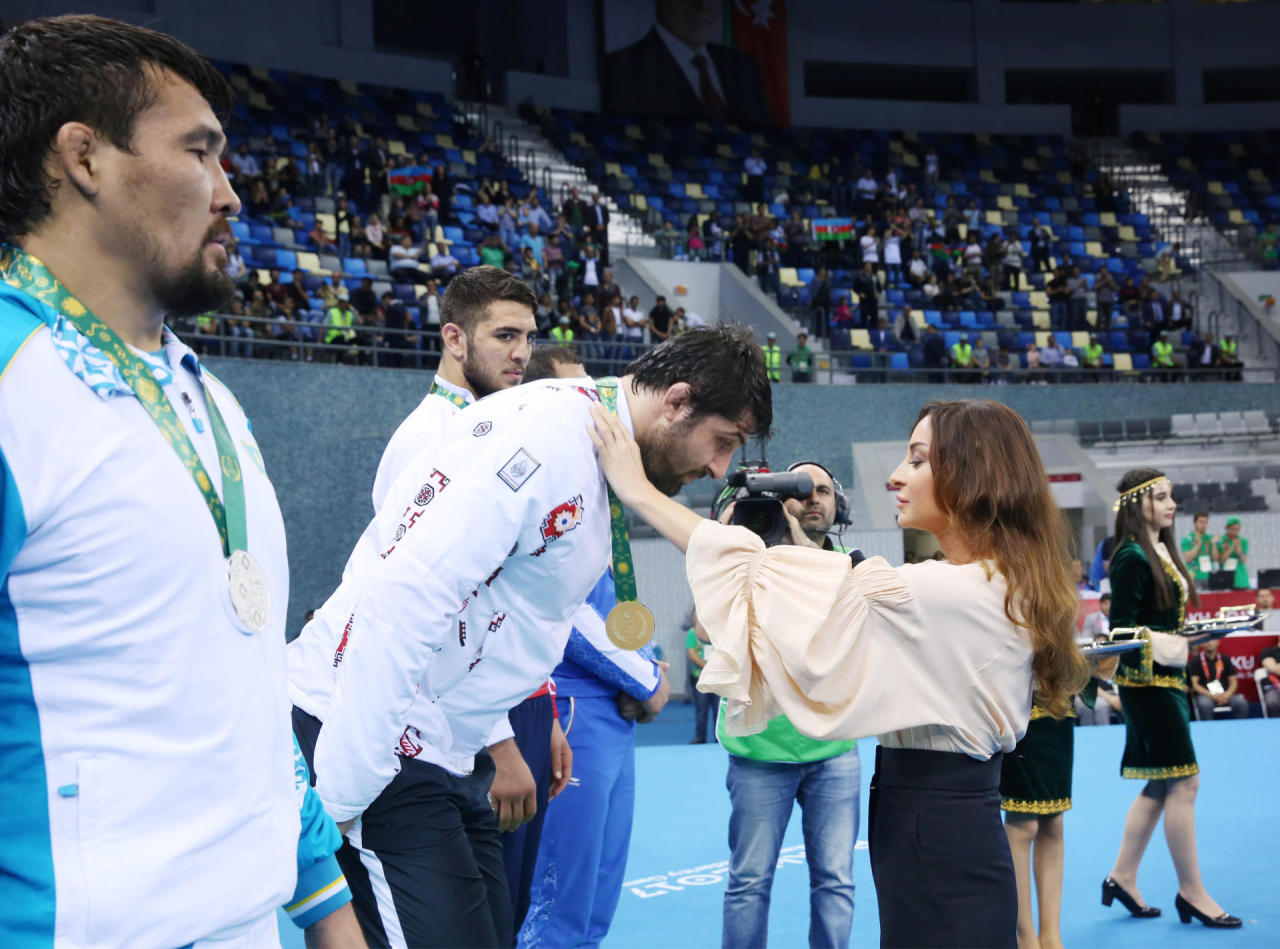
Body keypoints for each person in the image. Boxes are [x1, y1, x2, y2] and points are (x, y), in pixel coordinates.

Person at [0, 14, 362, 947]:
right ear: (84, 156)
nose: (231, 193)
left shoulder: (207, 396)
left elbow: (240, 676)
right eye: (200, 152)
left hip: (252, 917)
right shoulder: (8, 378)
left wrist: (323, 898)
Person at [288, 326, 771, 947]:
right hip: (379, 739)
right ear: (676, 401)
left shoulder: (590, 442)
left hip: (447, 744)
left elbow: (505, 606)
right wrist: (345, 795)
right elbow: (406, 602)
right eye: (722, 441)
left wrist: (499, 734)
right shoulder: (544, 442)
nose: (718, 467)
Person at [586, 398, 1087, 949]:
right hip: (940, 822)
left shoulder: (950, 591)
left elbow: (756, 572)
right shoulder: (985, 582)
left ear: (973, 475)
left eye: (918, 460)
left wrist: (636, 491)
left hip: (935, 830)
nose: (896, 476)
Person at [516, 349, 672, 949]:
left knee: (597, 899)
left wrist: (645, 663)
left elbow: (613, 600)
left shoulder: (597, 481)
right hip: (574, 704)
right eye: (581, 396)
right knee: (559, 901)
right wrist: (647, 680)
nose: (601, 411)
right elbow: (565, 608)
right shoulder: (551, 474)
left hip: (616, 705)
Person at [718, 462, 862, 949]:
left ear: (838, 503)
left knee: (836, 881)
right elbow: (707, 625)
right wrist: (723, 547)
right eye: (799, 491)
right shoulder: (749, 561)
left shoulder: (851, 565)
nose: (812, 499)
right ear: (778, 502)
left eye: (823, 489)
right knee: (749, 883)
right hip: (759, 752)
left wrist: (805, 553)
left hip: (834, 751)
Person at [1102, 468, 1240, 928]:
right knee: (1184, 782)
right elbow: (1120, 632)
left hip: (1167, 681)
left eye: (1171, 496)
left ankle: (1122, 877)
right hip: (1148, 686)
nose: (1172, 504)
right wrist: (1182, 644)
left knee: (1163, 784)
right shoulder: (1132, 557)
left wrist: (1196, 636)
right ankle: (1192, 891)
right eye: (1161, 496)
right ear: (1136, 504)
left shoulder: (1156, 550)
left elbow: (1158, 625)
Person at [1189, 638, 1248, 720]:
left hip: (1225, 694)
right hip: (1206, 695)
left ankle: (1242, 727)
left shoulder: (1225, 659)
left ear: (1218, 642)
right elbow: (1194, 684)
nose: (1210, 642)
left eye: (1212, 639)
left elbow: (1233, 681)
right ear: (1201, 644)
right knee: (1204, 704)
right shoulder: (1195, 661)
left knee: (1240, 701)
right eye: (1207, 640)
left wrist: (1227, 695)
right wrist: (1212, 695)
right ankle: (1208, 729)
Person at [687, 616, 716, 743]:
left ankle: (719, 737)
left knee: (719, 708)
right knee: (701, 707)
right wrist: (707, 667)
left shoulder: (718, 631)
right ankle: (700, 736)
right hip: (699, 677)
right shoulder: (692, 633)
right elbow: (691, 653)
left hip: (718, 678)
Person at [1181, 511, 1214, 590]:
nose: (1204, 525)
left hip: (1209, 576)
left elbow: (1216, 558)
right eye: (1201, 522)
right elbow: (1188, 558)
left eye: (1205, 522)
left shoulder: (1210, 538)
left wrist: (1214, 544)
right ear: (1195, 523)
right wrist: (1198, 544)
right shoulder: (1187, 538)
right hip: (1194, 577)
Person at [1213, 516, 1248, 590]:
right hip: (1226, 577)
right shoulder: (1220, 541)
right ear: (1227, 528)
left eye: (1238, 529)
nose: (1235, 532)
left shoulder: (1243, 541)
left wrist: (1238, 548)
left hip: (1241, 578)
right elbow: (1221, 560)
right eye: (1233, 529)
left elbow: (1243, 560)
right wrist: (1232, 547)